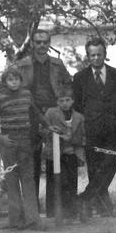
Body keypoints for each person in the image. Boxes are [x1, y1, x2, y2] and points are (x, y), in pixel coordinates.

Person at [16, 29, 72, 210]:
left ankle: (53, 207)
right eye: (38, 42)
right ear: (32, 43)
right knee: (31, 162)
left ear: (49, 44)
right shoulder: (21, 65)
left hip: (53, 116)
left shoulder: (57, 64)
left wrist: (63, 107)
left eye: (45, 42)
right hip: (29, 117)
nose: (41, 45)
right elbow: (11, 88)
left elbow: (67, 86)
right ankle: (32, 208)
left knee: (53, 160)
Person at [73, 38, 116, 218]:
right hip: (91, 130)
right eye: (92, 55)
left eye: (99, 54)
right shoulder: (80, 77)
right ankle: (103, 206)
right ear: (88, 56)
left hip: (112, 129)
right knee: (94, 169)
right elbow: (78, 105)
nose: (96, 58)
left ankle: (86, 198)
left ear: (105, 55)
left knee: (110, 165)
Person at [0, 66, 41, 230]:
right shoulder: (0, 99)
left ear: (21, 81)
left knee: (28, 180)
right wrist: (0, 137)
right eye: (10, 79)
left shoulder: (26, 95)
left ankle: (33, 219)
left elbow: (36, 114)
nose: (14, 82)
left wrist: (47, 125)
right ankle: (16, 221)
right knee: (12, 181)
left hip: (25, 141)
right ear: (5, 82)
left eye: (16, 79)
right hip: (8, 142)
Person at [42, 85, 85, 221]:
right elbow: (42, 131)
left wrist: (71, 138)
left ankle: (70, 213)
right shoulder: (51, 113)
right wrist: (54, 133)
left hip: (71, 154)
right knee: (54, 183)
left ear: (72, 101)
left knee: (71, 183)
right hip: (54, 154)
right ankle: (53, 213)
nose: (64, 103)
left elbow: (83, 137)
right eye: (61, 100)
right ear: (57, 102)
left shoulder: (79, 117)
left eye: (67, 100)